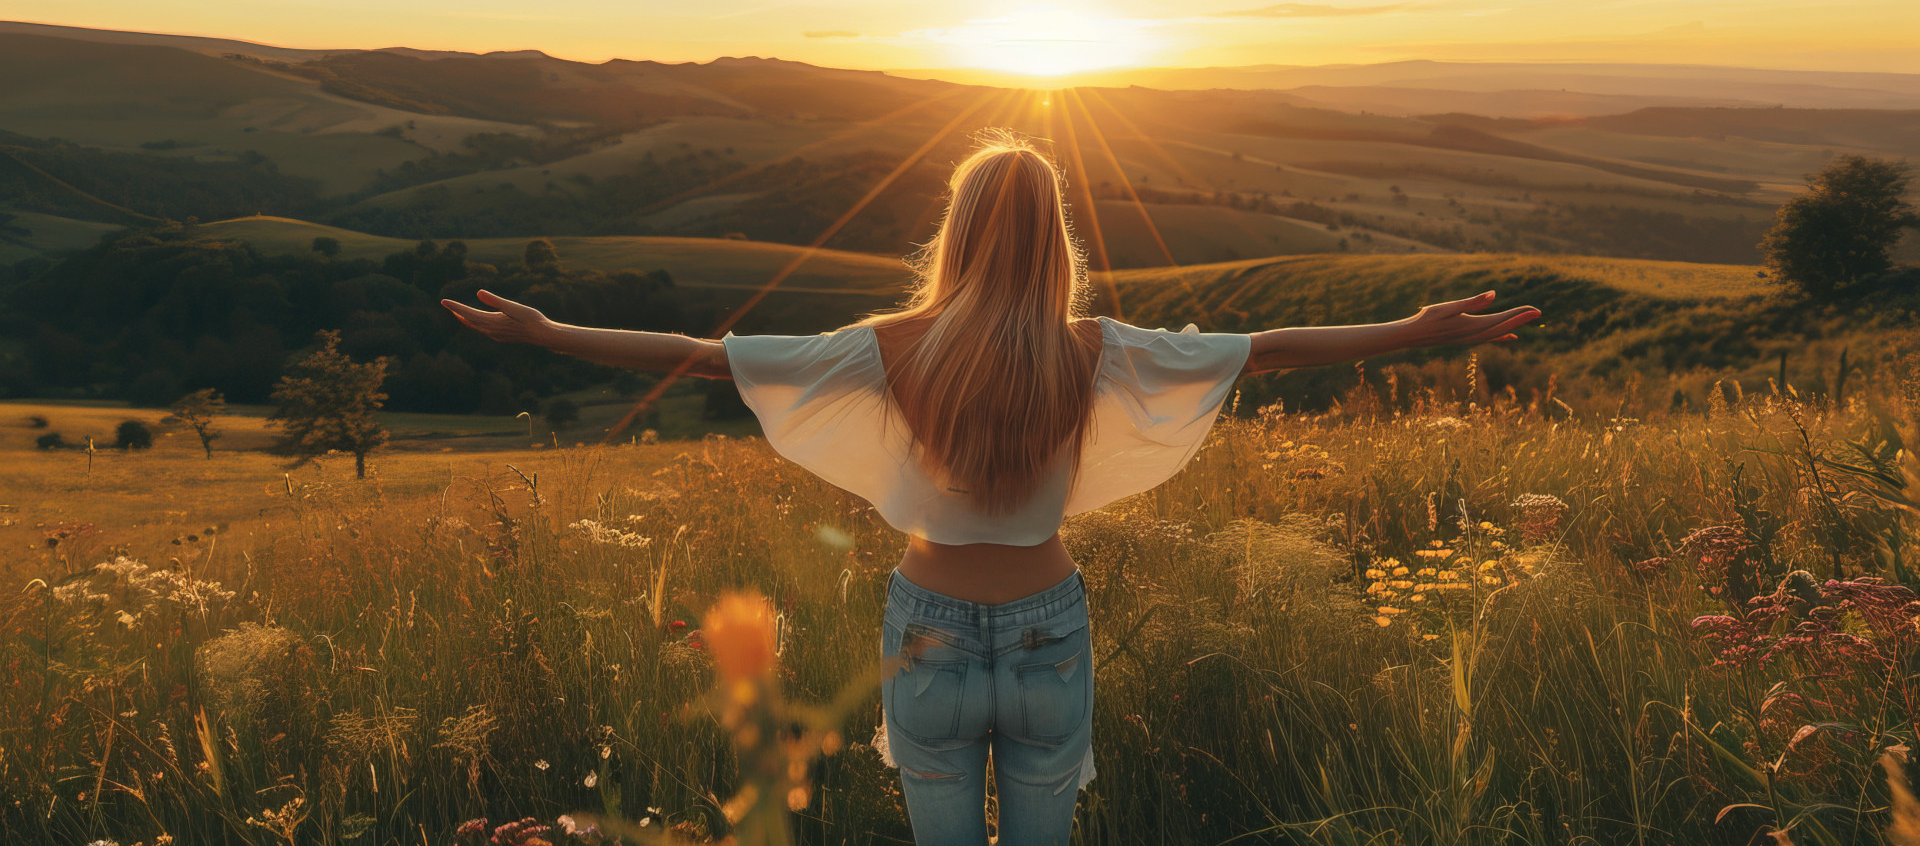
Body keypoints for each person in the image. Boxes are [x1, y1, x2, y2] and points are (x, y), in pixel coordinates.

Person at [441, 134, 1540, 846]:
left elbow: (697, 354)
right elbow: (1273, 347)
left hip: (927, 628)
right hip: (1050, 623)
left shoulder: (892, 346)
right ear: (1053, 236)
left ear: (958, 233)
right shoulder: (1097, 347)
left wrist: (549, 332)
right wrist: (1412, 328)